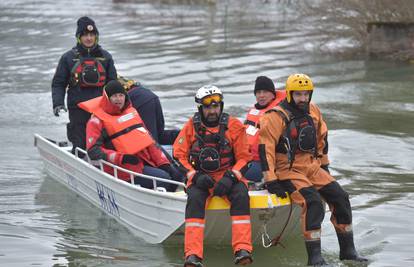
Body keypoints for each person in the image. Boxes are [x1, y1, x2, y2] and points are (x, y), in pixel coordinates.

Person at [259, 74, 368, 266]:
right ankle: (315, 259)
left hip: (312, 166)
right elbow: (265, 149)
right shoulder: (274, 117)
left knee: (341, 197)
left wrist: (324, 166)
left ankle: (348, 252)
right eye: (299, 94)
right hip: (287, 170)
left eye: (306, 94)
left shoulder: (314, 111)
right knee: (313, 203)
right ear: (290, 94)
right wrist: (271, 179)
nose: (303, 98)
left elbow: (322, 140)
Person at [173, 85, 253, 267]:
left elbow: (245, 158)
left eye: (215, 106)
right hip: (201, 178)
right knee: (194, 199)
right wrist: (194, 176)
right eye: (208, 107)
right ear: (201, 108)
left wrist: (231, 177)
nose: (212, 111)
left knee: (241, 195)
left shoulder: (234, 126)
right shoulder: (190, 127)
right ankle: (193, 255)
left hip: (227, 176)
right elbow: (178, 155)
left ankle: (243, 250)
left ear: (221, 106)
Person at [79, 80, 182, 192]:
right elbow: (93, 151)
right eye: (114, 96)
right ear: (107, 98)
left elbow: (149, 142)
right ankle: (159, 200)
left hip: (141, 161)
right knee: (164, 178)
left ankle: (168, 198)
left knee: (177, 175)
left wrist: (163, 163)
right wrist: (121, 158)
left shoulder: (132, 113)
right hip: (120, 167)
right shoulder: (96, 121)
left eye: (121, 95)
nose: (118, 99)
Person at [51, 16, 117, 154]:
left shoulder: (106, 57)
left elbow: (113, 84)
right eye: (85, 35)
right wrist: (58, 103)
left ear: (96, 37)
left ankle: (103, 168)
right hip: (77, 108)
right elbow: (58, 83)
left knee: (103, 142)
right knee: (80, 145)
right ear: (79, 37)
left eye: (92, 35)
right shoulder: (67, 58)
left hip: (100, 109)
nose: (89, 38)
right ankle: (78, 160)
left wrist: (116, 105)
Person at [243, 76, 286, 183]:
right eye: (258, 92)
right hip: (249, 158)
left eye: (265, 92)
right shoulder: (253, 112)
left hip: (267, 164)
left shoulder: (278, 114)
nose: (261, 95)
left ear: (273, 94)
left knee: (236, 173)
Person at [118, 76, 180, 145]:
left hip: (138, 100)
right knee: (159, 135)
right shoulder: (110, 71)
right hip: (148, 95)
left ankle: (188, 137)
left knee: (149, 143)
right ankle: (187, 136)